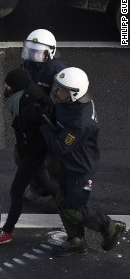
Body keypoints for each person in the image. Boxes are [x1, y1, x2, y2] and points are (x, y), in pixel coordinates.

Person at [39, 67, 126, 256]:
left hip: (79, 169)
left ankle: (108, 227)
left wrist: (44, 127)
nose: (58, 92)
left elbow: (59, 145)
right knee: (63, 200)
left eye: (62, 90)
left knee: (74, 209)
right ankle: (76, 240)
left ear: (74, 94)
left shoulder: (80, 122)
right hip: (69, 164)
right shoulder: (73, 103)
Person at [0, 68, 59, 245]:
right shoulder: (24, 97)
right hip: (28, 150)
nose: (5, 87)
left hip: (33, 154)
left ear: (17, 88)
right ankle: (63, 198)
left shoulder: (30, 109)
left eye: (8, 85)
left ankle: (7, 232)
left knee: (15, 191)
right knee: (43, 180)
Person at [20, 29, 66, 202]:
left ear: (50, 52)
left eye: (37, 52)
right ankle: (37, 185)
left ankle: (59, 197)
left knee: (55, 164)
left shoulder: (58, 71)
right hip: (30, 120)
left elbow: (58, 101)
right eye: (30, 51)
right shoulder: (28, 65)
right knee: (25, 156)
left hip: (48, 122)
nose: (33, 56)